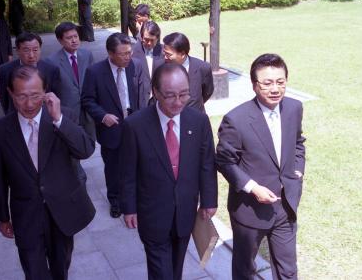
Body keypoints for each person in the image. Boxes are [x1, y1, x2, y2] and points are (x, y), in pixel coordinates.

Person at [0, 65, 96, 280]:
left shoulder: (64, 116)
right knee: (33, 269)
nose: (28, 104)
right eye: (21, 97)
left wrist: (59, 120)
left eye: (35, 95)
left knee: (60, 266)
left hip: (62, 211)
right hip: (26, 214)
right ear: (10, 93)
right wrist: (3, 216)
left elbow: (85, 150)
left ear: (46, 91)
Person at [120, 63, 218, 280]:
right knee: (161, 273)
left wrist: (209, 200)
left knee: (175, 269)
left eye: (184, 94)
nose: (178, 102)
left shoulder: (198, 121)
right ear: (155, 92)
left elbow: (206, 163)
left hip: (185, 211)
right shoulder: (135, 125)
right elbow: (127, 171)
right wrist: (129, 207)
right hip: (152, 214)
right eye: (170, 96)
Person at [215, 53, 306, 280]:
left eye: (280, 82)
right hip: (250, 209)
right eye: (267, 83)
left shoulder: (294, 108)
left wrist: (298, 170)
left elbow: (298, 143)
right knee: (245, 271)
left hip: (285, 207)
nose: (275, 89)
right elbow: (224, 161)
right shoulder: (236, 119)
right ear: (255, 85)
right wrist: (252, 187)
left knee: (288, 270)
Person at [82, 32, 145, 218]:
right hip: (111, 129)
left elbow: (142, 94)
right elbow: (87, 99)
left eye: (129, 52)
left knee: (137, 164)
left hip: (134, 125)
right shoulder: (94, 72)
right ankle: (115, 200)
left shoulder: (137, 66)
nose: (128, 57)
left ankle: (135, 198)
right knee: (113, 168)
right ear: (110, 53)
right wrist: (102, 116)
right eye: (123, 54)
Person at [46, 22, 95, 184]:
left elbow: (93, 82)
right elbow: (50, 90)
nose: (74, 40)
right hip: (67, 111)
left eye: (75, 36)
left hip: (87, 110)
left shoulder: (87, 55)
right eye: (69, 38)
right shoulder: (51, 62)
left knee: (87, 143)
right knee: (71, 144)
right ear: (60, 41)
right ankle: (78, 176)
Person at [0, 32, 61, 114]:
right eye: (26, 50)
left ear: (40, 49)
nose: (31, 55)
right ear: (17, 50)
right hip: (16, 116)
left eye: (35, 50)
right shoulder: (5, 70)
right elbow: (4, 99)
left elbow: (56, 97)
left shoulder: (51, 70)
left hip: (44, 117)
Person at [163, 32, 214, 112]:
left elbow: (207, 92)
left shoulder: (203, 68)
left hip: (195, 120)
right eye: (164, 53)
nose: (165, 57)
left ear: (182, 54)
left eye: (169, 54)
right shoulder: (161, 68)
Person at [131, 20, 165, 104]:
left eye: (152, 40)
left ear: (157, 38)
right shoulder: (132, 52)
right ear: (141, 37)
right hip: (140, 100)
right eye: (146, 39)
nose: (149, 43)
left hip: (160, 100)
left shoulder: (164, 52)